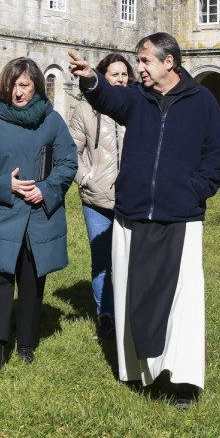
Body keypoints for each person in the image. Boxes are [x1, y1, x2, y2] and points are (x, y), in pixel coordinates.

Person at [68, 33, 220, 409]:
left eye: (144, 61)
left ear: (168, 62)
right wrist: (90, 78)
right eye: (138, 62)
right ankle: (143, 372)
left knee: (182, 302)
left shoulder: (202, 103)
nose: (138, 69)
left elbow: (217, 158)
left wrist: (193, 190)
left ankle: (185, 382)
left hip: (181, 218)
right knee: (134, 296)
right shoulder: (136, 99)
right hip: (133, 214)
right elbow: (107, 97)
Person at [0, 57, 77, 374]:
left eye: (24, 85)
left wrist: (47, 189)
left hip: (38, 215)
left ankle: (26, 344)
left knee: (32, 279)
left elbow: (68, 162)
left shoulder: (52, 122)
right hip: (0, 212)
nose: (18, 92)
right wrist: (4, 184)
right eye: (13, 85)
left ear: (37, 86)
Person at [67, 53, 134, 344]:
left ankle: (131, 313)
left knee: (131, 259)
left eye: (124, 74)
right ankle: (106, 317)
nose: (120, 79)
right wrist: (85, 178)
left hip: (131, 197)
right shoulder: (85, 110)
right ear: (102, 77)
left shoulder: (136, 105)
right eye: (114, 74)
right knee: (102, 260)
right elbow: (71, 150)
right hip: (96, 198)